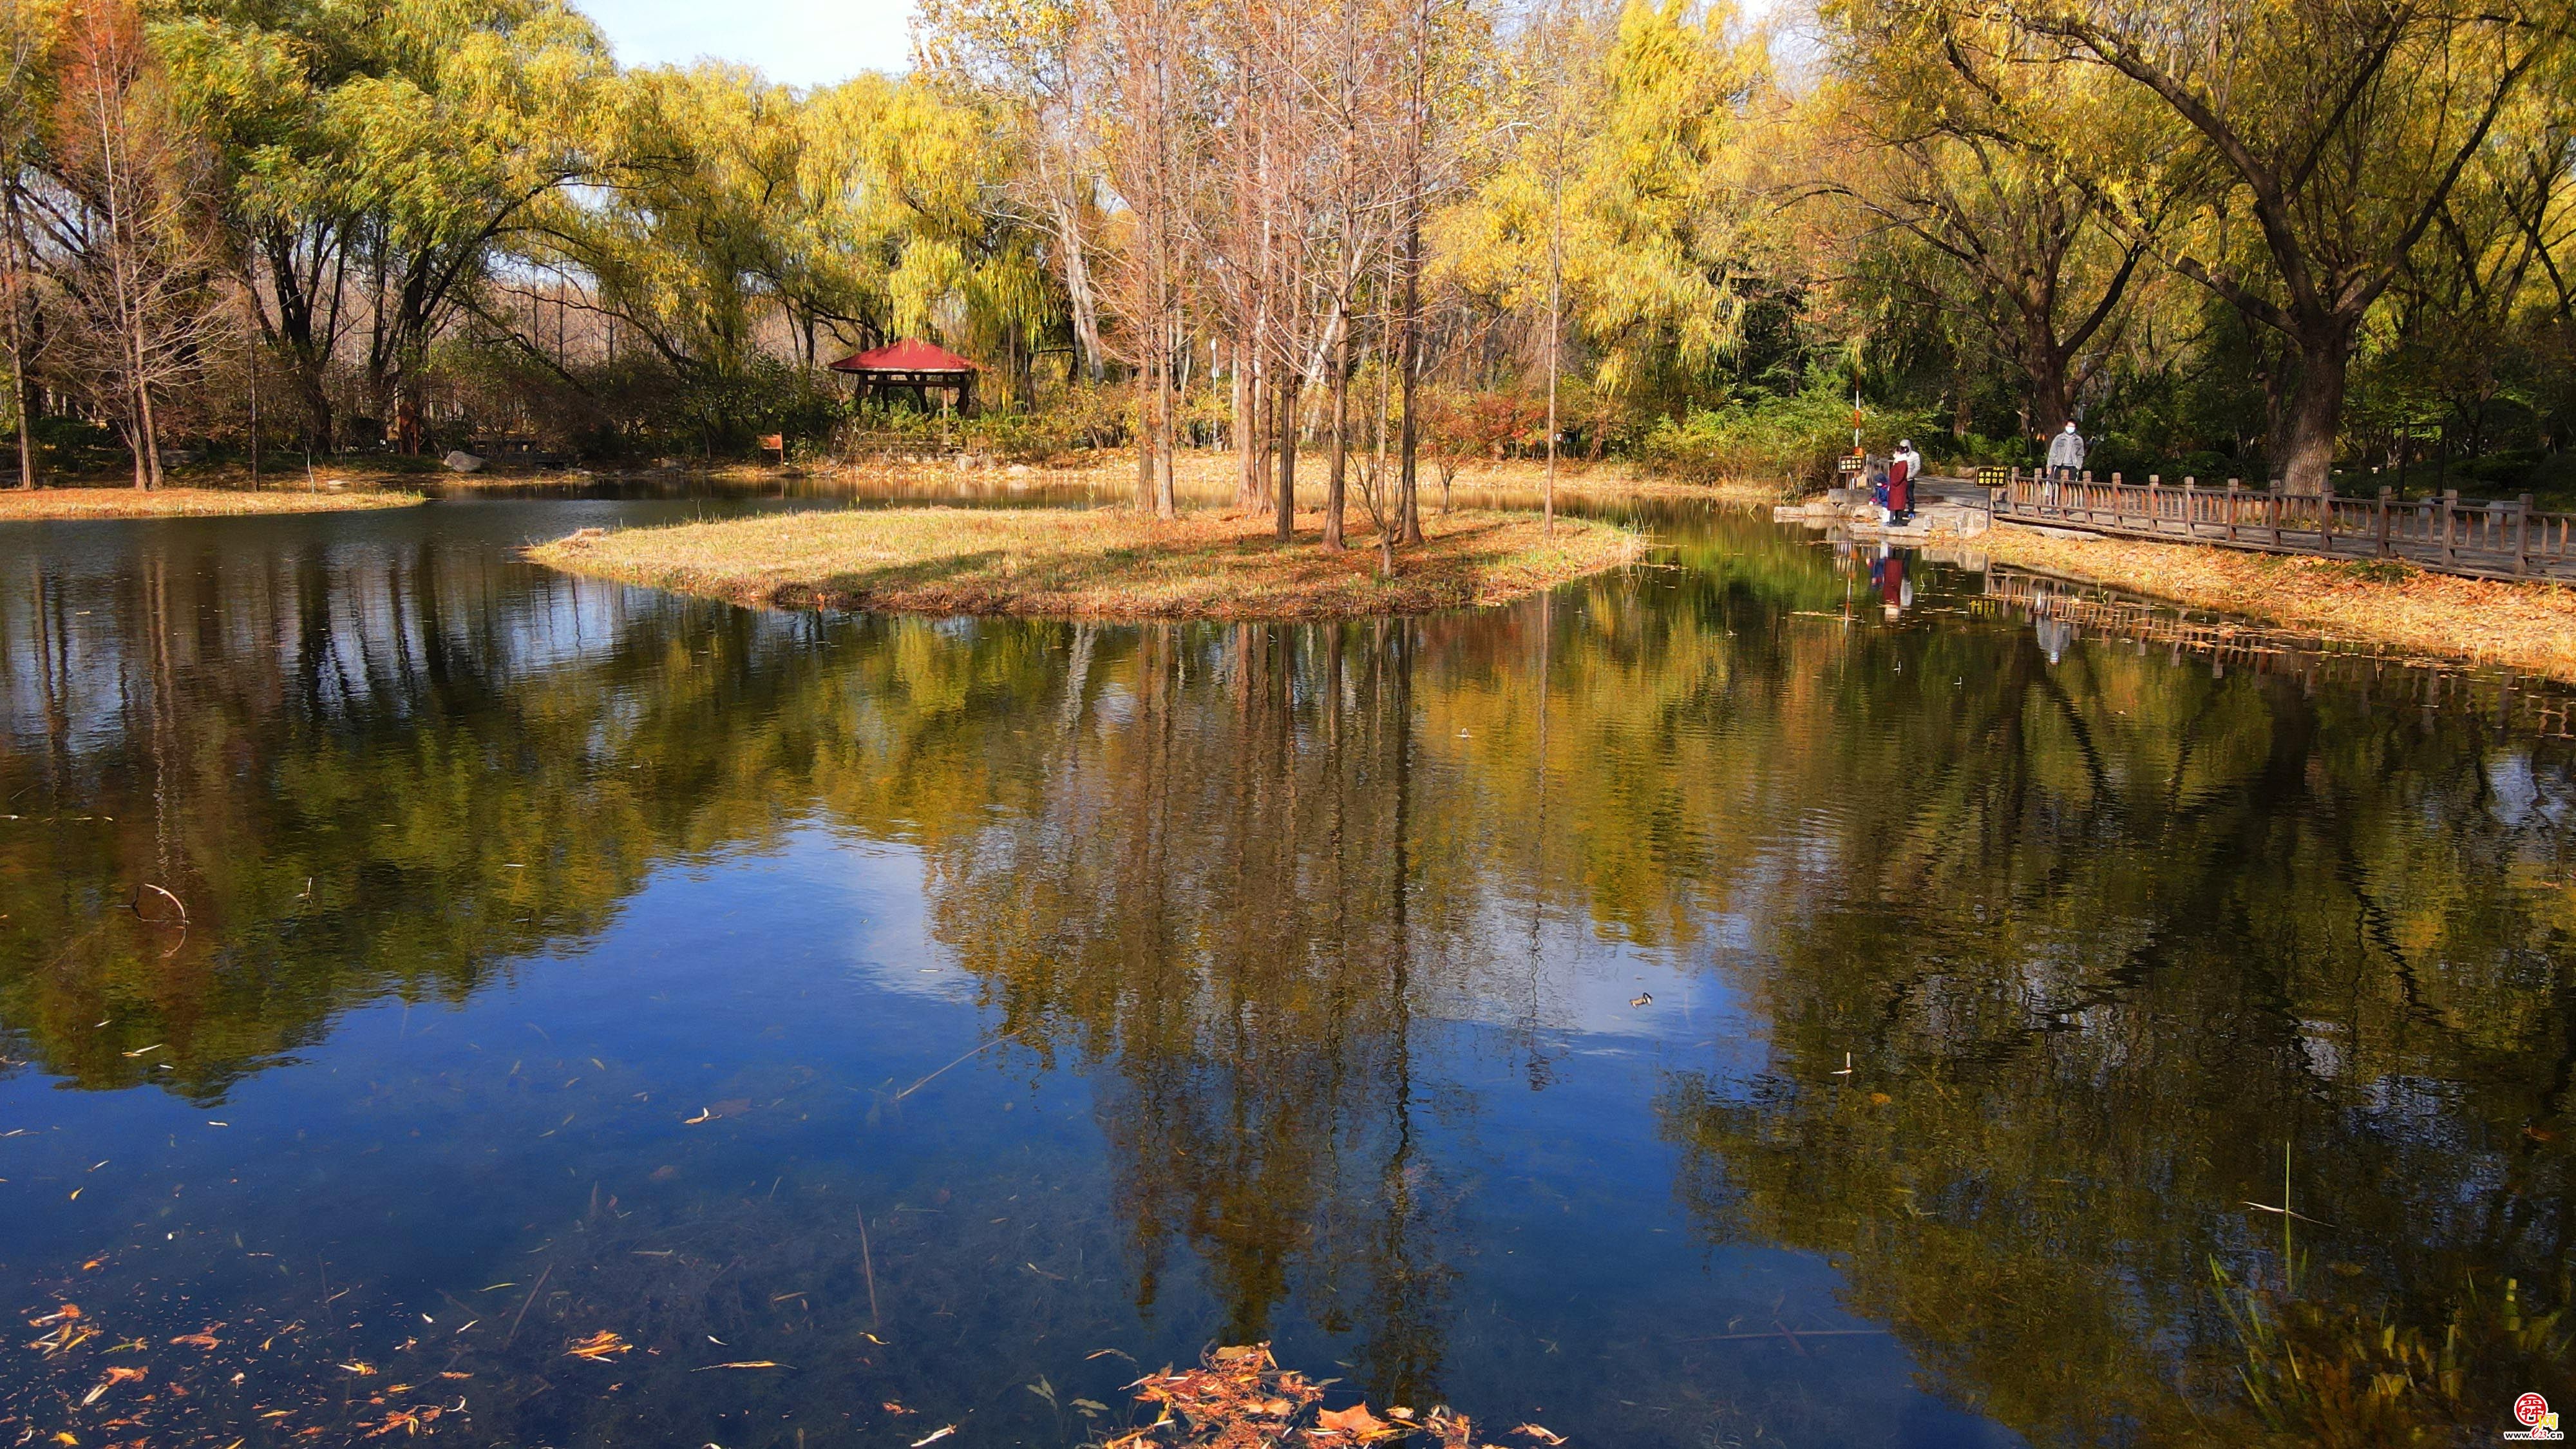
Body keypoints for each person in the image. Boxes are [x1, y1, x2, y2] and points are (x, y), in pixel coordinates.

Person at [2044, 421, 2085, 507]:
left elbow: (2081, 454)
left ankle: (2067, 506)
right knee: (2056, 486)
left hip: (2072, 466)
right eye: (2069, 426)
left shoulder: (2079, 440)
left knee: (2070, 487)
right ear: (2066, 426)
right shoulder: (2059, 438)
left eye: (2072, 427)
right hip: (2059, 465)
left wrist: (2078, 466)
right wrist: (2049, 466)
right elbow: (2052, 452)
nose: (2071, 428)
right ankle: (2054, 505)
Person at [1888, 440, 1918, 525]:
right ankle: (1896, 519)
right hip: (1896, 486)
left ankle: (1900, 519)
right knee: (1896, 504)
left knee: (1901, 502)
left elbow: (1901, 475)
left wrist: (1895, 482)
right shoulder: (1898, 461)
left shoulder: (1903, 462)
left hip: (1900, 485)